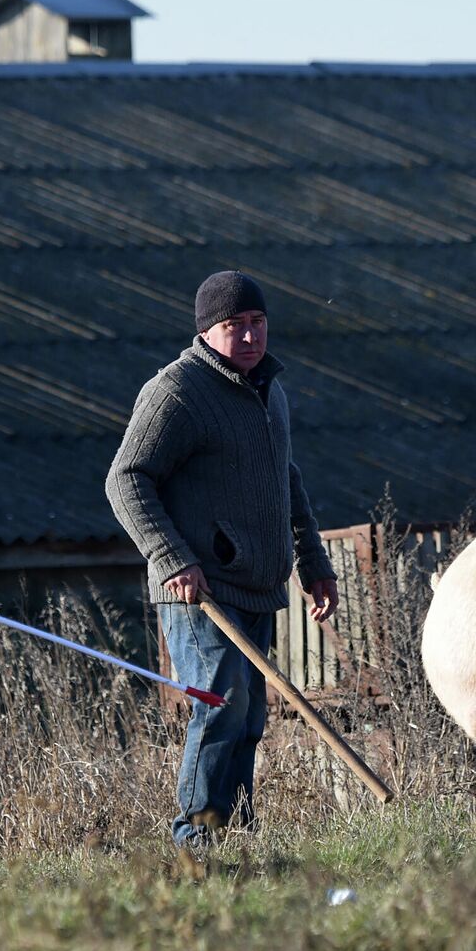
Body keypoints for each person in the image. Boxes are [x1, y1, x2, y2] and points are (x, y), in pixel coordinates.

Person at [106, 270, 339, 849]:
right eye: (234, 326)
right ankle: (195, 839)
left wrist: (314, 563)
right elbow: (125, 480)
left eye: (257, 323)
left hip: (257, 582)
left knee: (250, 719)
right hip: (199, 588)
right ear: (207, 331)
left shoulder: (269, 390)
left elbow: (286, 478)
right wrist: (171, 557)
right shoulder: (177, 391)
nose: (250, 336)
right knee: (221, 708)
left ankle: (236, 834)